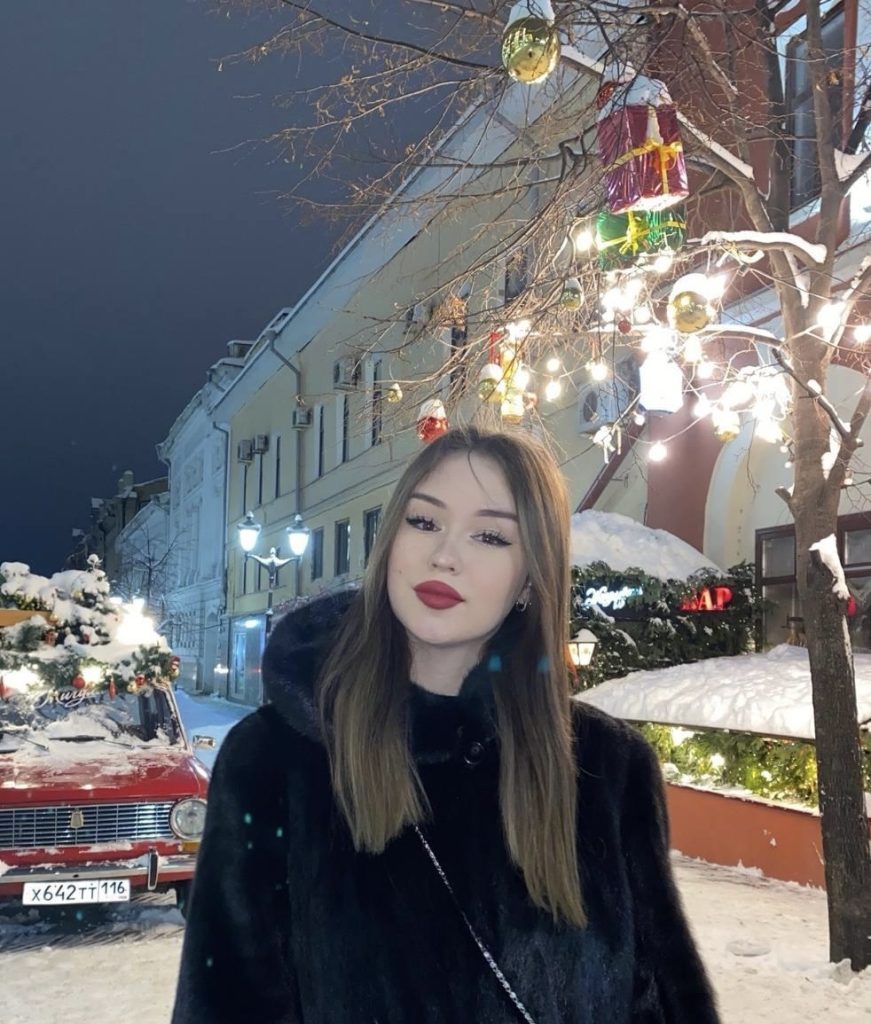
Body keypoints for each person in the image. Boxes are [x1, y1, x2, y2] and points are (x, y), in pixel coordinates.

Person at [171, 426, 720, 1024]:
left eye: (490, 535)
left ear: (531, 577)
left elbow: (663, 1001)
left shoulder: (608, 768)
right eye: (424, 521)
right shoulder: (274, 762)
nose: (444, 555)